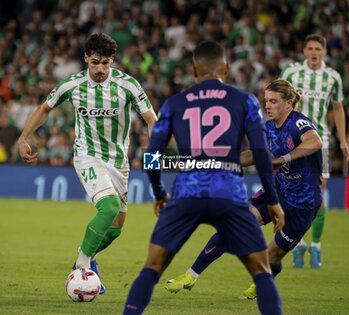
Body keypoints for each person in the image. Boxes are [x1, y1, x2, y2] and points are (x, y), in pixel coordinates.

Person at [123, 40, 284, 315]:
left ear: (194, 70)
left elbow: (152, 154)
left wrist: (160, 192)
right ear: (227, 68)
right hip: (229, 192)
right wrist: (272, 199)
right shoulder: (244, 100)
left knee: (151, 268)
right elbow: (260, 152)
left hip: (187, 191)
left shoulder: (175, 103)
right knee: (262, 271)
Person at [17, 33, 157, 294]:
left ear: (112, 60)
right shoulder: (72, 85)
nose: (100, 69)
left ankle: (87, 257)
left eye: (106, 63)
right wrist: (24, 137)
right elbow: (45, 108)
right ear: (85, 59)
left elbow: (151, 119)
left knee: (114, 231)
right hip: (87, 155)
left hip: (119, 161)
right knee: (109, 206)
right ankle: (81, 267)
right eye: (95, 63)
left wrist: (156, 150)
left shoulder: (128, 85)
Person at [164, 79, 323, 300]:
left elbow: (315, 142)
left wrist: (283, 158)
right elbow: (253, 155)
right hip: (277, 190)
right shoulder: (267, 127)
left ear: (288, 103)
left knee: (268, 258)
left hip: (302, 204)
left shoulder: (298, 123)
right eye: (266, 100)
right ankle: (191, 275)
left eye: (273, 101)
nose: (267, 105)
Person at [280, 34, 349, 268]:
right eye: (310, 48)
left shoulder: (333, 77)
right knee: (290, 193)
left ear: (324, 52)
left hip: (320, 141)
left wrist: (343, 140)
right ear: (303, 50)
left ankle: (316, 247)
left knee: (318, 196)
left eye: (318, 48)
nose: (313, 52)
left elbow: (338, 108)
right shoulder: (291, 72)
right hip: (291, 139)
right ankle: (297, 245)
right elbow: (276, 100)